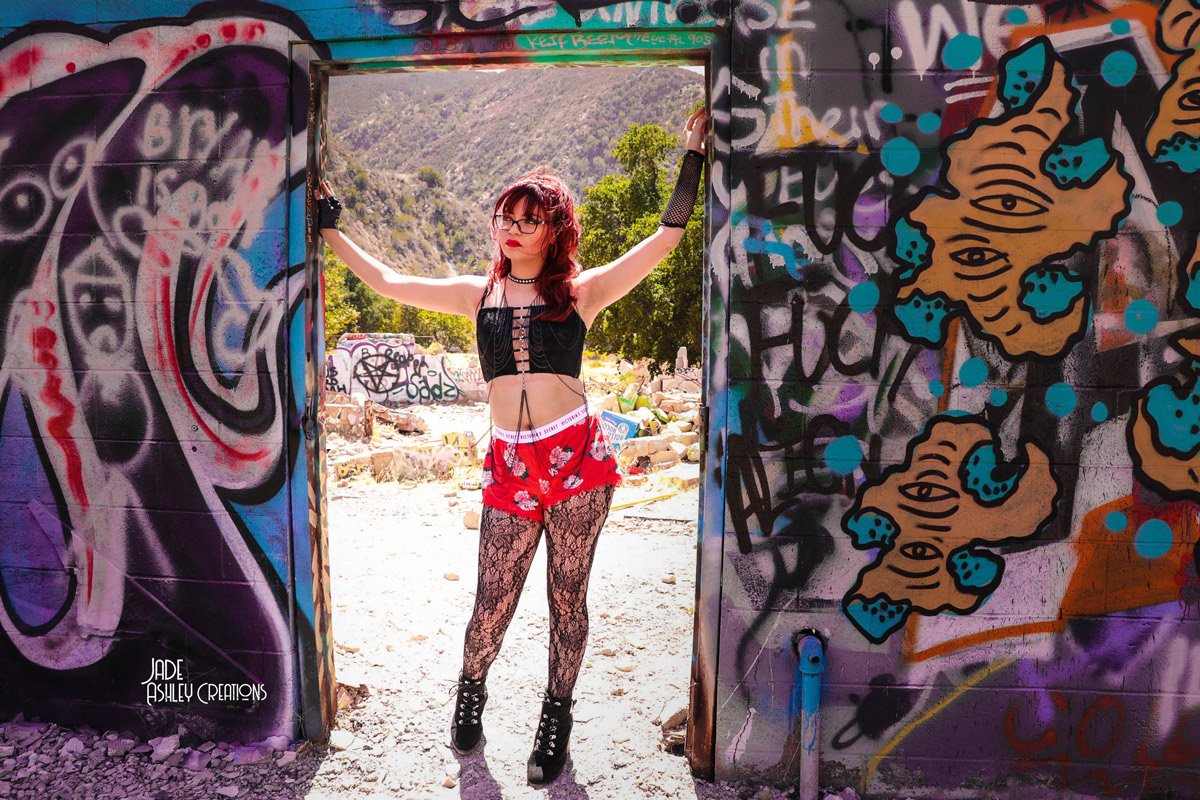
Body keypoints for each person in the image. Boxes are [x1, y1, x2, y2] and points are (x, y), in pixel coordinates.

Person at [314, 107, 707, 785]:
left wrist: (692, 157)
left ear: (554, 229)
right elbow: (385, 281)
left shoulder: (581, 292)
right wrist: (332, 228)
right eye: (508, 216)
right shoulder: (478, 293)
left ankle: (556, 715)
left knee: (567, 600)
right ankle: (472, 689)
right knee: (491, 599)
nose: (516, 227)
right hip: (511, 466)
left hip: (579, 463)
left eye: (531, 218)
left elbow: (667, 237)